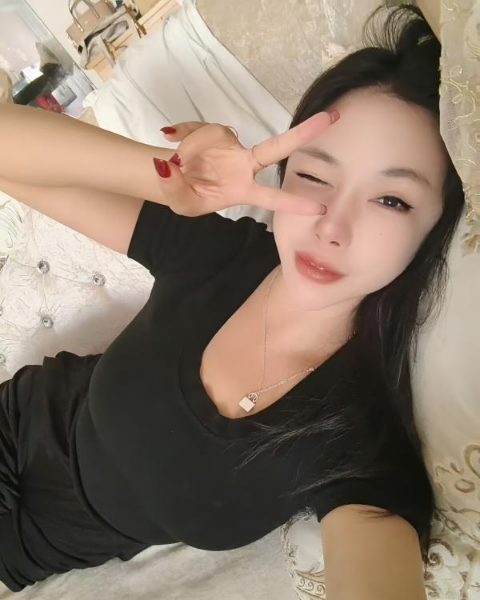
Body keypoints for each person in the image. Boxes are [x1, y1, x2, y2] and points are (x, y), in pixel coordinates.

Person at [0, 5, 465, 599]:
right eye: (314, 176)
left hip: (34, 550)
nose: (331, 227)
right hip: (18, 423)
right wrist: (167, 179)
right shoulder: (222, 255)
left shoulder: (361, 441)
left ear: (437, 230)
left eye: (391, 200)